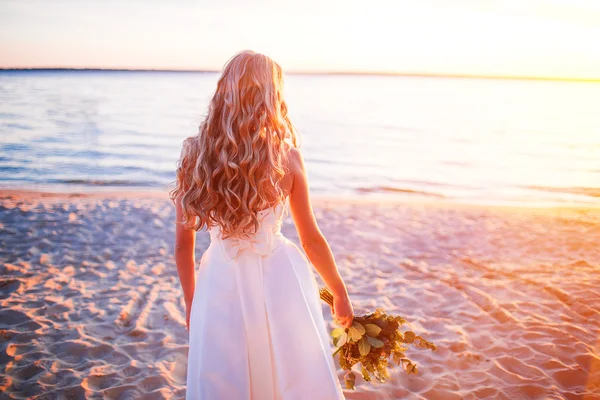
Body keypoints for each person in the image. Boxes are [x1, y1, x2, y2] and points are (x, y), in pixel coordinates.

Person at [170, 50, 353, 399]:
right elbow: (311, 238)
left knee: (225, 375)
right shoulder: (288, 158)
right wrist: (339, 293)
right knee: (292, 371)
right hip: (281, 277)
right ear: (272, 96)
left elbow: (183, 246)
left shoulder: (195, 155)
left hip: (219, 279)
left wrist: (192, 304)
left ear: (224, 92)